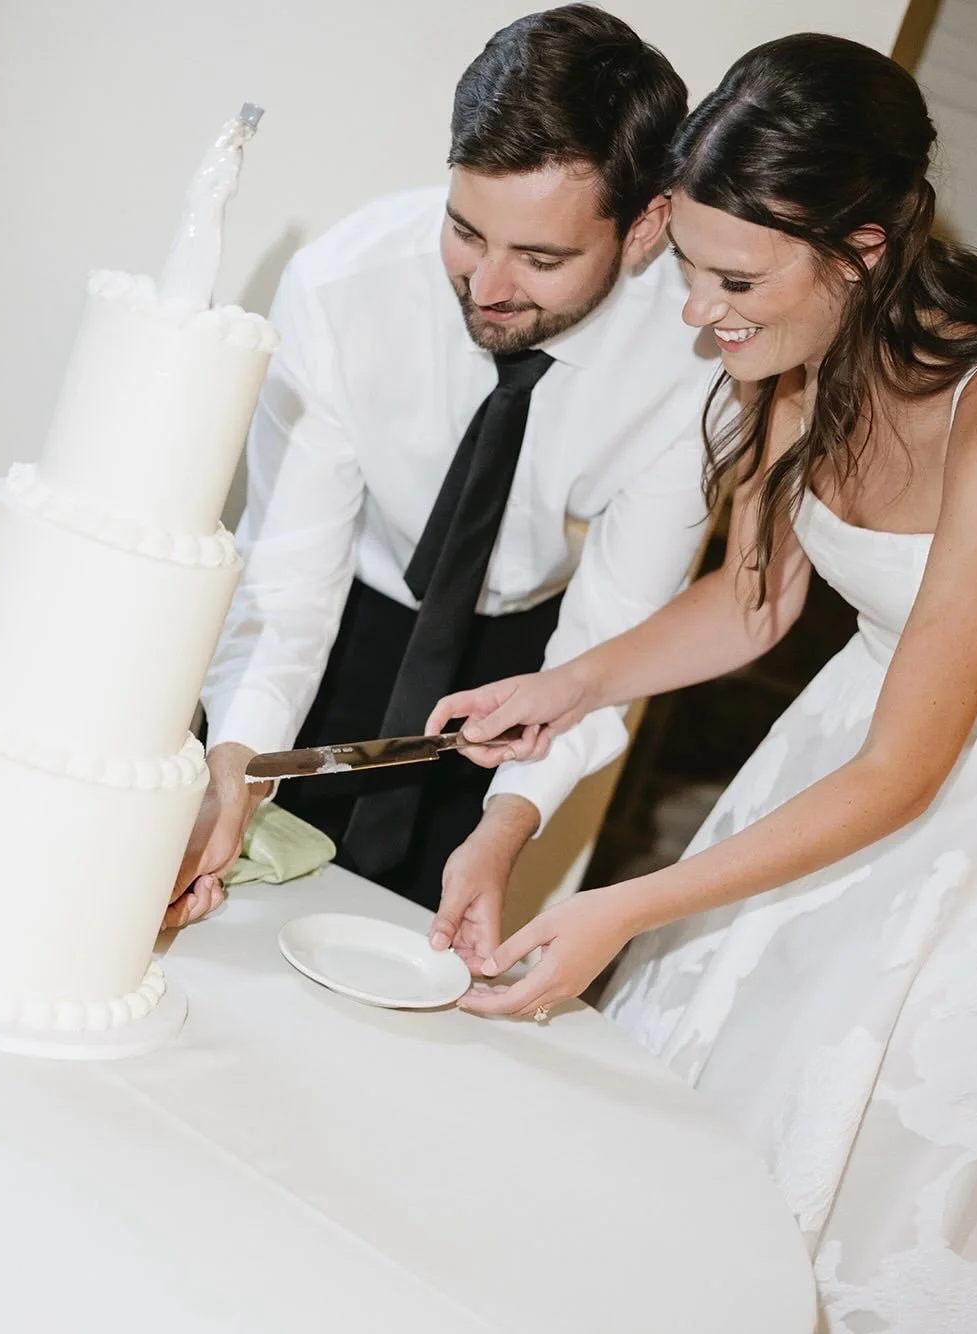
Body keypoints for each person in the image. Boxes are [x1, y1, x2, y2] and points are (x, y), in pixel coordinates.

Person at [427, 34, 977, 1321]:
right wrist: (570, 684)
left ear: (862, 249)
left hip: (969, 812)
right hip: (845, 746)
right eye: (687, 266)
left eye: (733, 278)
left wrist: (624, 901)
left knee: (849, 1148)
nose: (697, 311)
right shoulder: (802, 356)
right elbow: (754, 599)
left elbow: (909, 769)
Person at [167, 5, 720, 928]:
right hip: (338, 626)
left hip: (524, 674)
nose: (487, 287)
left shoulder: (697, 364)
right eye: (466, 232)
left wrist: (508, 823)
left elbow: (611, 636)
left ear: (644, 227)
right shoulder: (342, 288)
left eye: (539, 258)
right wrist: (238, 764)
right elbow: (289, 577)